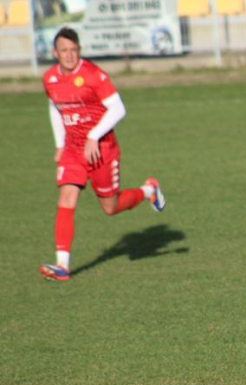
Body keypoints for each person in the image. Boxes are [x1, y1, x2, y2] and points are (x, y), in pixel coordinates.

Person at [40, 27, 165, 281]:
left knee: (111, 206)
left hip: (102, 151)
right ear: (55, 52)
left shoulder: (94, 75)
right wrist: (60, 143)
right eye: (64, 50)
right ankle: (62, 265)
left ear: (79, 50)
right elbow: (56, 107)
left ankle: (148, 191)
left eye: (74, 50)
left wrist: (94, 136)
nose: (70, 55)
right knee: (67, 196)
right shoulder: (50, 79)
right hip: (73, 150)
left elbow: (118, 108)